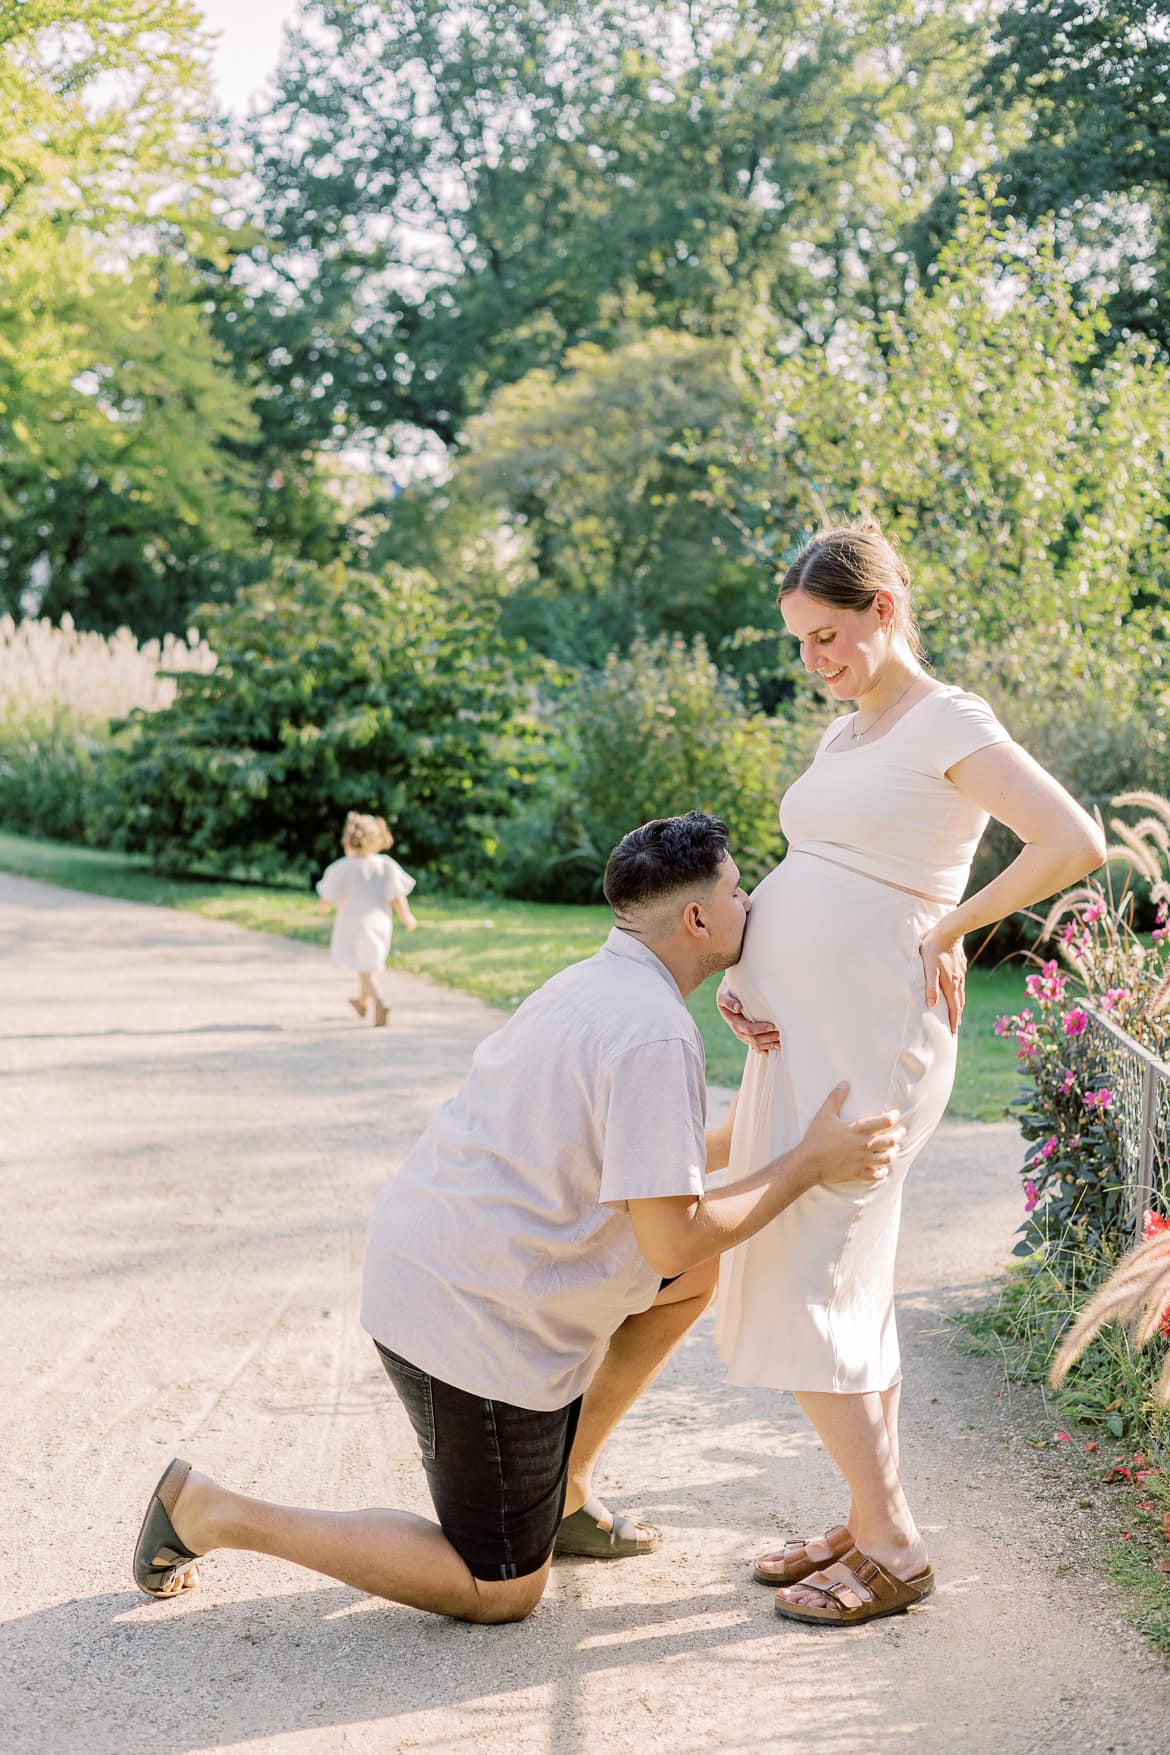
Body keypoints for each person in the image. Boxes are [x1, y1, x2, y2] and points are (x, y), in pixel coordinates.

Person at [132, 812, 905, 1626]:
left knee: (687, 1281)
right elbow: (672, 1231)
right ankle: (213, 1510)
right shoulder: (652, 1033)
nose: (751, 901)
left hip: (442, 1260)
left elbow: (656, 1169)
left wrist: (783, 1121)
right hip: (466, 1319)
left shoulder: (595, 984)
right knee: (498, 1588)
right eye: (737, 889)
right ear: (698, 919)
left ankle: (563, 1493)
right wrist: (808, 1163)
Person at [714, 520, 1107, 1628]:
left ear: (885, 609)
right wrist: (751, 976)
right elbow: (812, 871)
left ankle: (893, 1544)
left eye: (828, 636)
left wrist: (950, 932)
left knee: (811, 1268)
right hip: (805, 1031)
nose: (813, 662)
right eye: (799, 641)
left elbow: (1072, 842)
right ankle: (860, 1509)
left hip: (875, 1036)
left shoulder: (950, 719)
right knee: (842, 1275)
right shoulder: (847, 736)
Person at [316, 812, 418, 1027]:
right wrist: (406, 917)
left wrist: (322, 908)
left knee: (365, 968)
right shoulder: (385, 865)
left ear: (347, 840)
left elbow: (328, 896)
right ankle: (362, 1003)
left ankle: (380, 1002)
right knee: (366, 965)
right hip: (380, 923)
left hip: (353, 924)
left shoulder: (342, 867)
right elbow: (397, 896)